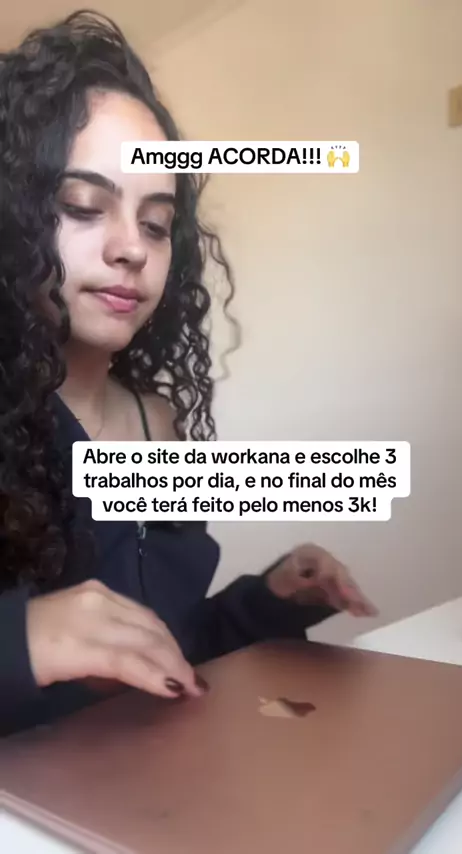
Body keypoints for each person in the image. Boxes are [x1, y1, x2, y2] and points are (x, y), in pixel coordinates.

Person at [0, 10, 377, 738]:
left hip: (162, 784)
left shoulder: (160, 423)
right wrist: (22, 639)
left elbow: (168, 646)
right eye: (83, 206)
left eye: (154, 223)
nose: (131, 249)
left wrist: (269, 600)